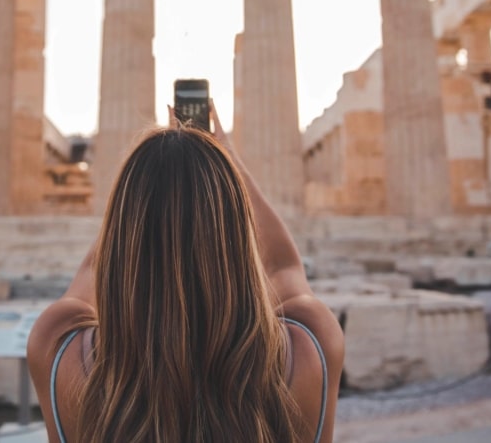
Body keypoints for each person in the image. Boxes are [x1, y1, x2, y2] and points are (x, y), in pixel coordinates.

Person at [28, 103, 344, 442]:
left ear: (122, 234)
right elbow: (284, 267)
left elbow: (92, 275)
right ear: (236, 231)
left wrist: (136, 207)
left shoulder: (58, 347)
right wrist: (228, 159)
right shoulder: (309, 348)